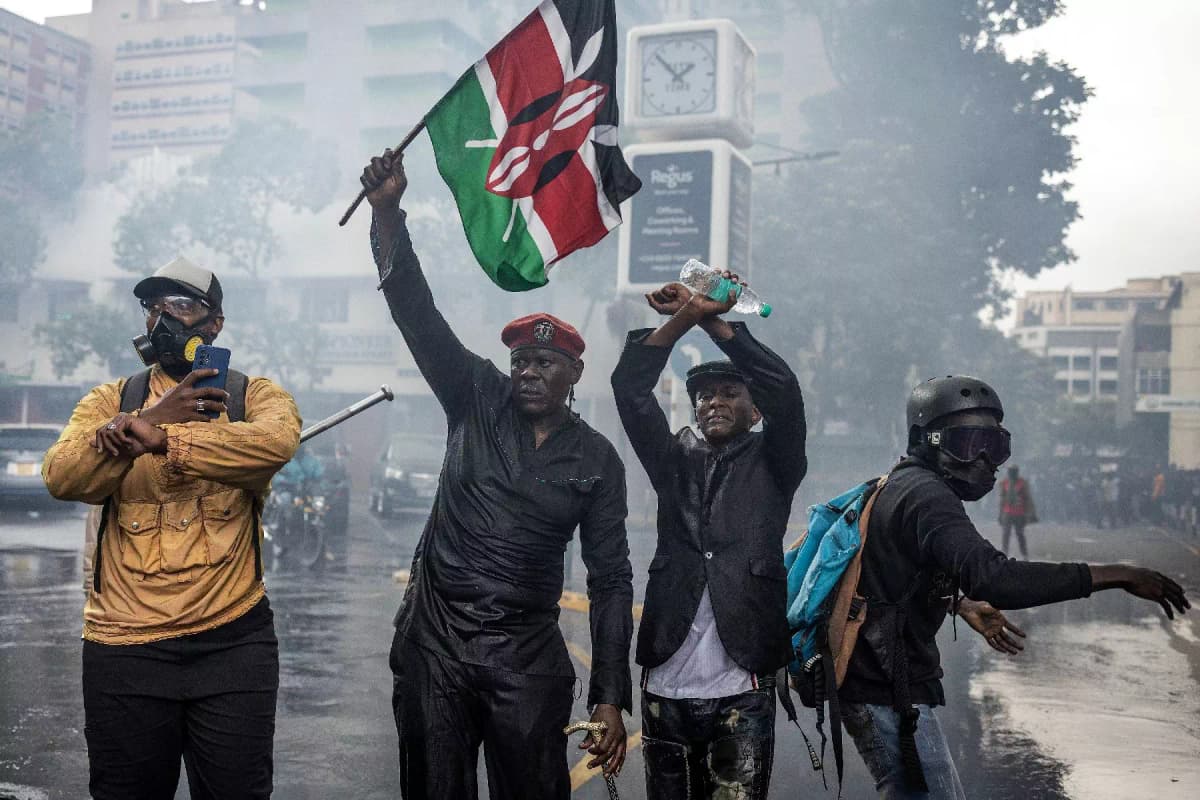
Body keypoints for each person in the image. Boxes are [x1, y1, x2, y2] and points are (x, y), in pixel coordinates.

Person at [361, 149, 633, 799]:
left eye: (545, 362)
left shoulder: (596, 460)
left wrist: (610, 698)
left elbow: (612, 579)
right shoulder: (474, 395)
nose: (529, 372)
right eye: (521, 361)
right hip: (438, 650)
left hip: (526, 660)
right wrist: (389, 215)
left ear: (574, 375)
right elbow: (415, 313)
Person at [838, 375, 1189, 799]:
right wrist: (1117, 574)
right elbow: (995, 578)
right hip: (883, 685)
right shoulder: (927, 496)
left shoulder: (905, 483)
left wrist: (961, 603)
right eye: (969, 444)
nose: (986, 460)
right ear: (926, 439)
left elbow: (891, 570)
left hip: (879, 678)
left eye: (995, 445)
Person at [42, 258, 301, 799]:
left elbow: (275, 447)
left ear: (215, 323)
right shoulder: (108, 402)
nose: (163, 320)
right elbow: (62, 477)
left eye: (181, 306)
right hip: (123, 647)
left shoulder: (255, 396)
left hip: (233, 641)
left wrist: (163, 441)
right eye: (153, 308)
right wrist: (153, 417)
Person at [610, 280, 807, 799]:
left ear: (755, 410)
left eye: (729, 392)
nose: (713, 402)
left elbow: (784, 389)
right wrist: (684, 318)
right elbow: (629, 389)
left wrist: (714, 323)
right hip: (665, 684)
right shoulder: (672, 459)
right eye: (703, 396)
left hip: (742, 685)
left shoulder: (776, 461)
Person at [997, 465, 1035, 558]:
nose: (1012, 473)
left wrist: (1029, 513)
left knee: (1020, 535)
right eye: (1010, 471)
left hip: (1019, 513)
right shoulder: (1004, 483)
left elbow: (1027, 499)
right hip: (1007, 512)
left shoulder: (1022, 483)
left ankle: (1024, 554)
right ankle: (1004, 553)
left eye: (1013, 471)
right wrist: (1000, 514)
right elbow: (1001, 500)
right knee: (1006, 535)